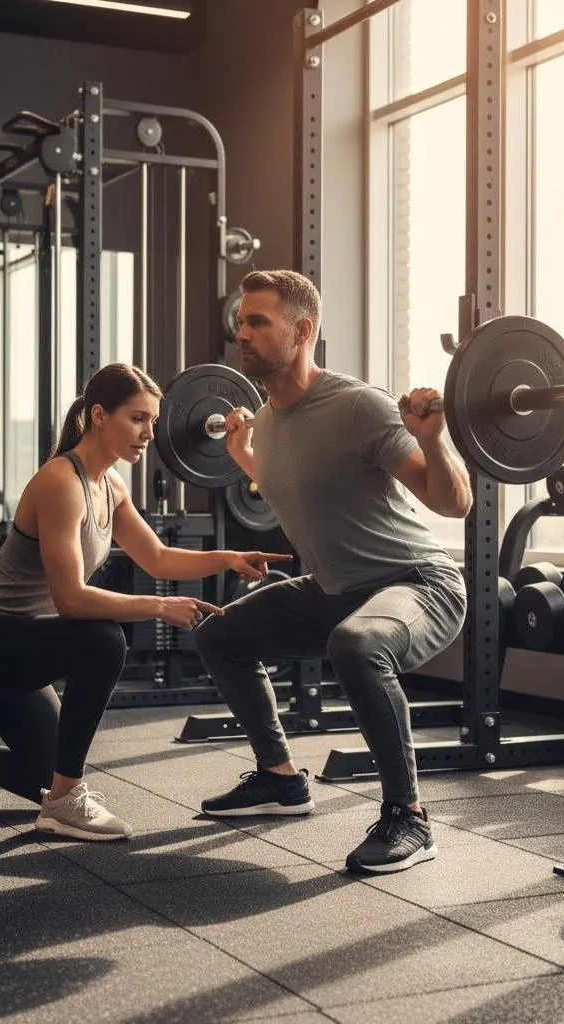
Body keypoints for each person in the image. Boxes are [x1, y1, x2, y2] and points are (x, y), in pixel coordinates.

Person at [0, 363, 291, 841]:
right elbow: (72, 600)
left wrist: (229, 558)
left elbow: (157, 557)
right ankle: (65, 801)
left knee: (43, 771)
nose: (148, 434)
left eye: (154, 422)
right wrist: (158, 608)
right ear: (99, 415)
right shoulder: (61, 481)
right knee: (102, 640)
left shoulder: (111, 485)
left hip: (23, 640)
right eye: (137, 419)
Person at [194, 269, 471, 875]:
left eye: (258, 322)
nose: (243, 333)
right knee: (220, 634)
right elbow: (294, 485)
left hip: (418, 583)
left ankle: (409, 817)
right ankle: (279, 780)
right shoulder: (265, 424)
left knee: (357, 644)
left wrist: (435, 439)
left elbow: (452, 504)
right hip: (333, 590)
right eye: (241, 322)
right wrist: (245, 457)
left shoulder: (357, 406)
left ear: (304, 330)